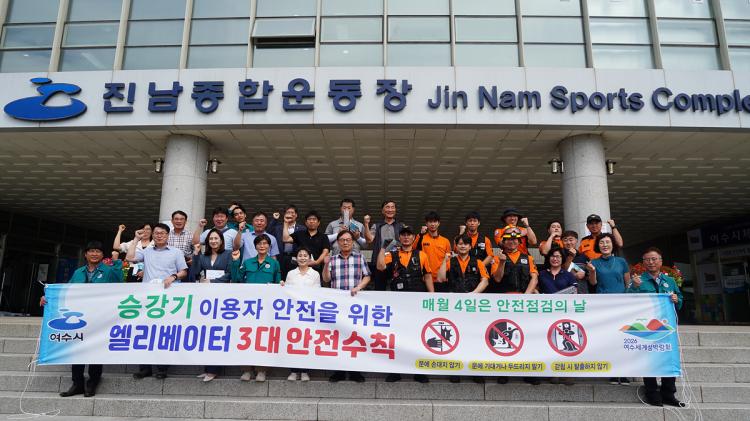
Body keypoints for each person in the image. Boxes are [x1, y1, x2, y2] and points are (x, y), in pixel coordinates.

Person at [40, 241, 123, 397]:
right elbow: (66, 291)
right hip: (79, 318)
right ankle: (77, 383)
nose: (94, 254)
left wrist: (117, 262)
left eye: (98, 251)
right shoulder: (78, 272)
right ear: (85, 254)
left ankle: (93, 382)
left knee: (96, 349)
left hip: (100, 317)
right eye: (91, 251)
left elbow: (121, 286)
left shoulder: (109, 271)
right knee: (77, 348)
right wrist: (48, 297)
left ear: (102, 255)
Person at [126, 223, 188, 380]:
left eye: (162, 233)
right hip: (149, 298)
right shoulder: (146, 252)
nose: (159, 235)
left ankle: (162, 368)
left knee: (163, 333)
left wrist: (173, 276)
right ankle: (144, 368)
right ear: (152, 235)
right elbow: (130, 257)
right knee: (145, 332)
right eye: (156, 233)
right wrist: (136, 239)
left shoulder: (176, 252)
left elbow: (184, 271)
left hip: (168, 299)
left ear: (168, 235)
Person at [627, 247, 684, 408]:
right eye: (647, 260)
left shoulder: (670, 281)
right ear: (643, 262)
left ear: (660, 261)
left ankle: (669, 394)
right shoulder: (637, 280)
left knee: (669, 358)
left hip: (667, 327)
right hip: (647, 327)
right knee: (649, 359)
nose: (651, 262)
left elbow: (679, 299)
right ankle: (652, 393)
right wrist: (634, 287)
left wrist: (676, 299)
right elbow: (627, 301)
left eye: (654, 259)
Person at [377, 226, 433, 383]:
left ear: (414, 238)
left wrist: (432, 297)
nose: (406, 237)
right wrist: (383, 248)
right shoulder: (392, 254)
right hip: (398, 303)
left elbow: (428, 276)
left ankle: (419, 371)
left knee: (418, 336)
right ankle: (396, 371)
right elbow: (380, 267)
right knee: (397, 337)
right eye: (403, 235)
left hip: (417, 301)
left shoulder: (421, 254)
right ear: (399, 238)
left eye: (409, 235)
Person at [489, 227, 539, 385]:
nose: (512, 242)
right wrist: (502, 262)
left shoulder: (527, 257)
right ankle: (504, 371)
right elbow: (497, 278)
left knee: (526, 336)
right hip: (504, 302)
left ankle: (528, 372)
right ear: (503, 242)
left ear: (519, 241)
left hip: (523, 301)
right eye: (509, 239)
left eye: (515, 239)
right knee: (505, 338)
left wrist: (526, 296)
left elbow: (534, 277)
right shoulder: (497, 258)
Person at [436, 233, 488, 384]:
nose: (463, 246)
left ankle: (475, 370)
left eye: (465, 244)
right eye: (460, 244)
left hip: (473, 306)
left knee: (474, 338)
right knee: (455, 337)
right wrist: (444, 261)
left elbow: (485, 280)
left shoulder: (478, 262)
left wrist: (473, 294)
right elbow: (440, 278)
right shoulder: (450, 261)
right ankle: (456, 369)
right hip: (455, 307)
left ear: (470, 246)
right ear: (456, 246)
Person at [322, 230, 371, 383]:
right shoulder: (332, 259)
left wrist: (359, 287)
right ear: (337, 242)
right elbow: (326, 279)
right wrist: (326, 264)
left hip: (355, 305)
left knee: (355, 336)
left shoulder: (359, 257)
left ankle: (355, 371)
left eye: (348, 240)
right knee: (338, 336)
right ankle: (339, 371)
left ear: (353, 242)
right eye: (342, 240)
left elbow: (367, 276)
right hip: (337, 305)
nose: (345, 242)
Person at [231, 234, 280, 382]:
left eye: (265, 243)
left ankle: (261, 370)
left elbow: (278, 285)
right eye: (259, 243)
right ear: (255, 246)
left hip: (266, 308)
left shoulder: (274, 264)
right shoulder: (247, 262)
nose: (262, 246)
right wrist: (235, 262)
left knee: (263, 338)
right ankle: (246, 369)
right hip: (248, 307)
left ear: (269, 246)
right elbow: (237, 280)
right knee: (245, 337)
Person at [586, 232, 631, 385]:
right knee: (609, 339)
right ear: (598, 246)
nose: (605, 245)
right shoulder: (594, 262)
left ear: (613, 244)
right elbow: (593, 283)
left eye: (607, 242)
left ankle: (624, 372)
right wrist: (592, 271)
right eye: (601, 242)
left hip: (621, 304)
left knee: (623, 338)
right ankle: (613, 371)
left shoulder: (621, 261)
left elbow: (628, 283)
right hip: (604, 305)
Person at [190, 229, 231, 381]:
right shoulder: (203, 256)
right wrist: (196, 255)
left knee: (217, 332)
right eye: (211, 239)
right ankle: (207, 368)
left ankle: (214, 370)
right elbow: (194, 273)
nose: (213, 241)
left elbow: (230, 274)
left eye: (216, 238)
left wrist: (213, 281)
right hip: (206, 297)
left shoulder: (228, 254)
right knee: (206, 333)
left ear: (221, 240)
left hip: (222, 297)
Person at [281, 247, 320, 382]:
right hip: (293, 312)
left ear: (309, 258)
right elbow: (287, 292)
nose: (302, 258)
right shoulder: (291, 273)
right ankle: (293, 371)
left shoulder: (315, 274)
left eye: (305, 255)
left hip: (308, 313)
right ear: (296, 258)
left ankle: (305, 371)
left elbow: (317, 293)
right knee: (293, 340)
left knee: (306, 341)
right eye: (300, 255)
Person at [363, 200, 405, 291]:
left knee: (397, 289)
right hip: (380, 262)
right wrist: (366, 224)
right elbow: (369, 239)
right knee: (380, 289)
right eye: (387, 207)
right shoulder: (377, 226)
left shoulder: (401, 226)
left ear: (395, 210)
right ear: (382, 211)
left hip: (396, 263)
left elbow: (406, 242)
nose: (390, 209)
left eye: (392, 207)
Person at [416, 211, 452, 292]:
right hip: (425, 279)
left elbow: (448, 261)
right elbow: (413, 249)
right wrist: (420, 234)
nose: (432, 224)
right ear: (426, 224)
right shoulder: (421, 238)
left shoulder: (445, 241)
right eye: (430, 222)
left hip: (441, 280)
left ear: (439, 223)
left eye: (435, 221)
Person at [271, 205, 306, 279]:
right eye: (288, 212)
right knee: (280, 279)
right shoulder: (278, 228)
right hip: (280, 257)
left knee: (295, 279)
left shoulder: (302, 229)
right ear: (284, 215)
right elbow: (268, 233)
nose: (290, 214)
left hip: (296, 258)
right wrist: (275, 220)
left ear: (296, 215)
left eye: (292, 212)